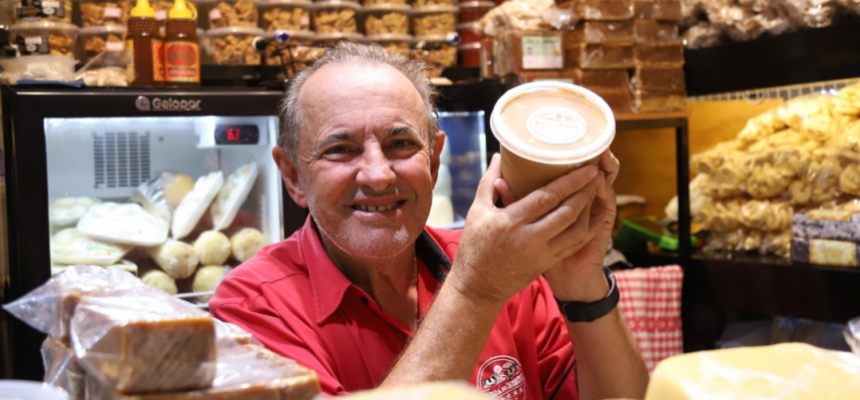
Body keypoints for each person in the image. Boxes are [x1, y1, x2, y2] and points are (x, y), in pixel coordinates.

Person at [210, 41, 649, 399]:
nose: (378, 174)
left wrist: (581, 281)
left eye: (401, 143)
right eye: (340, 149)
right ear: (293, 176)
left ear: (435, 161)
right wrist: (475, 291)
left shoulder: (508, 267)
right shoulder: (249, 308)